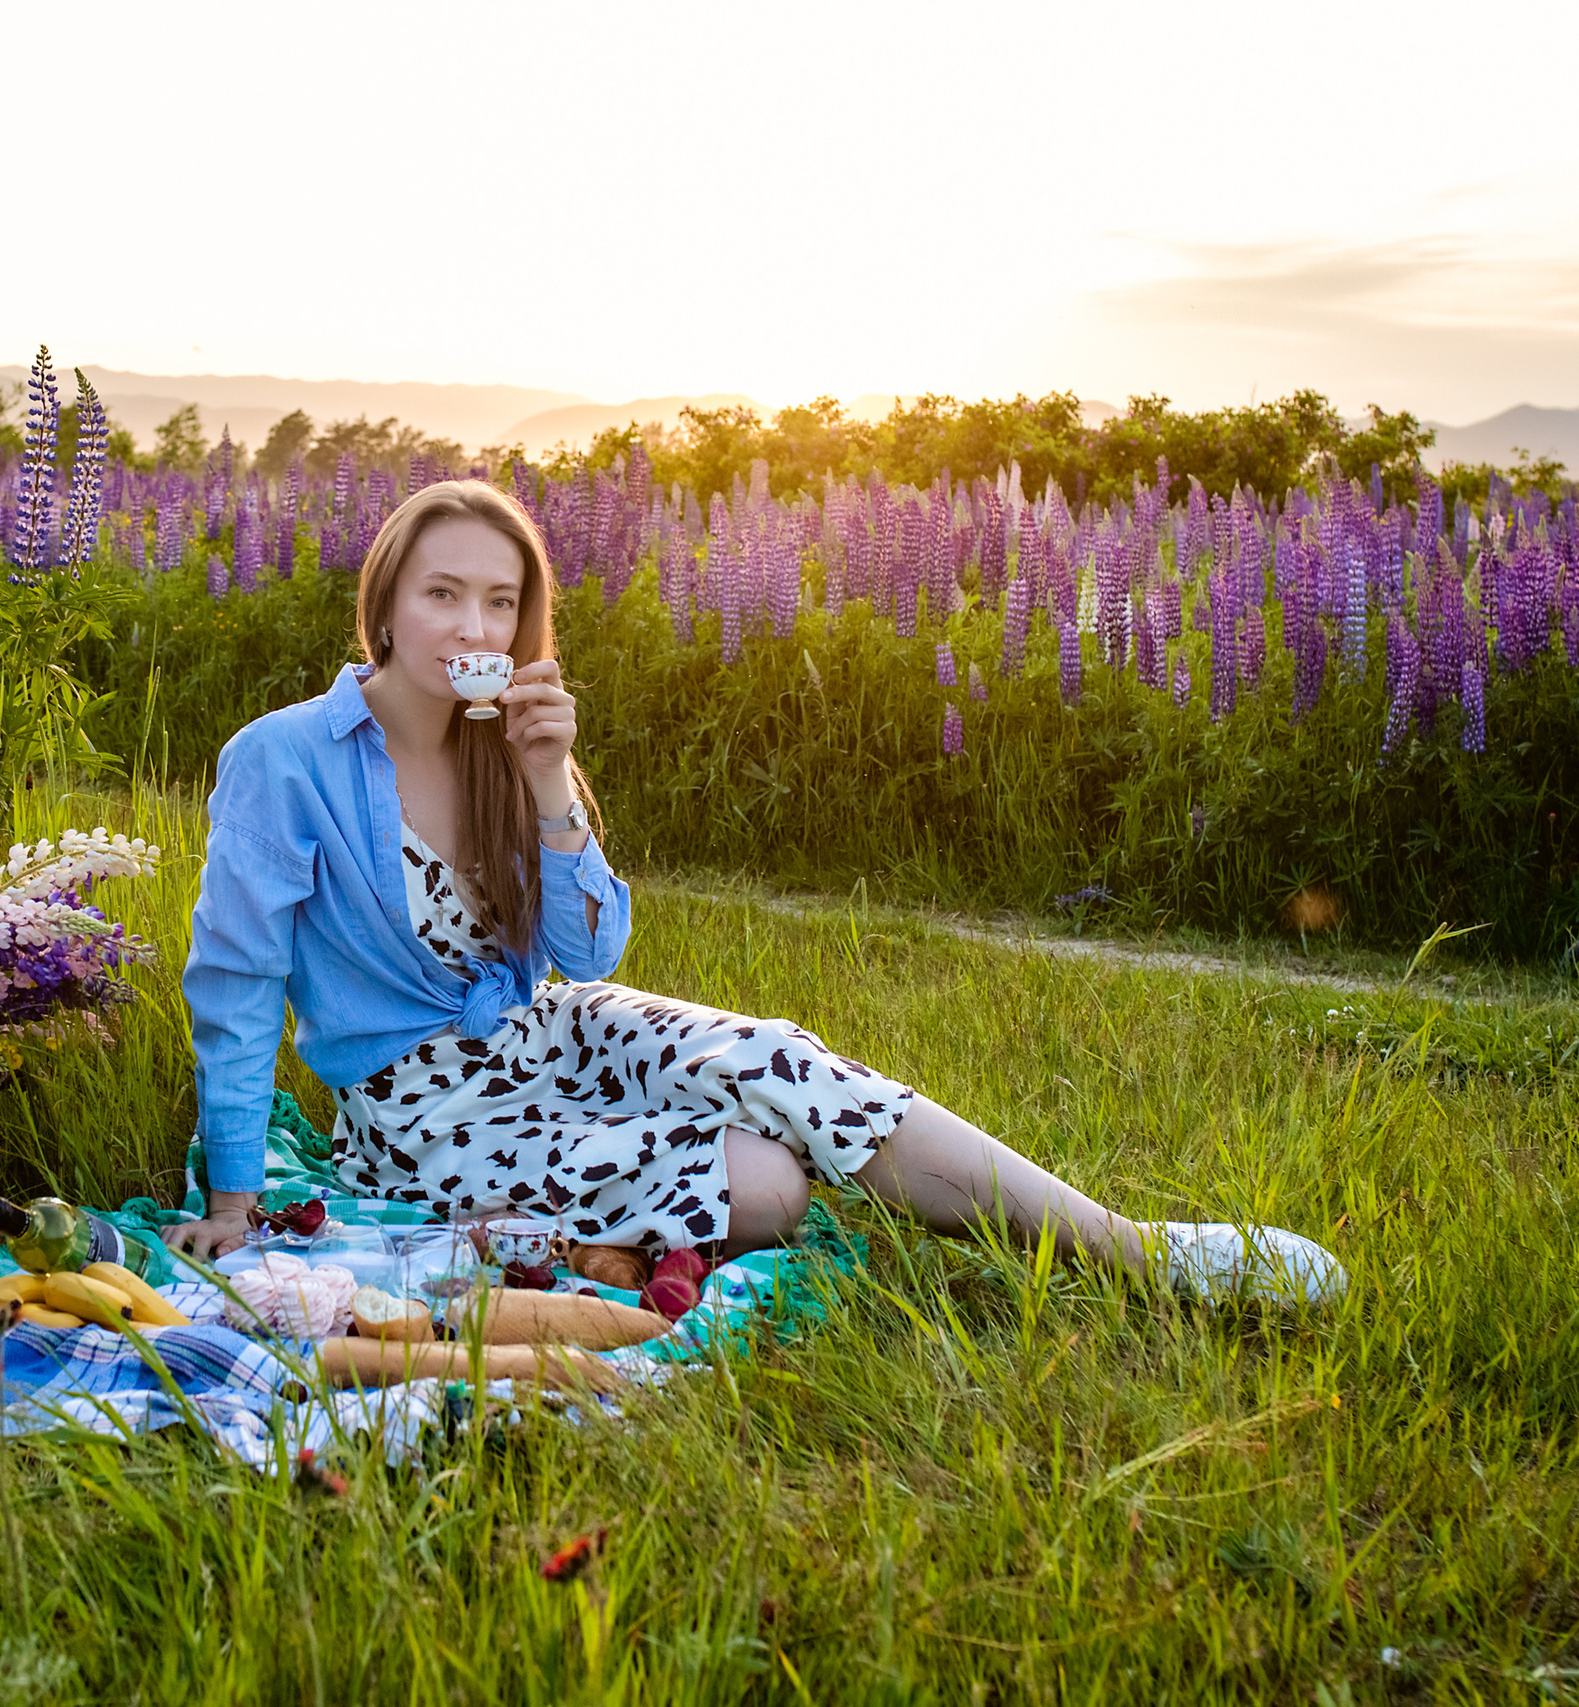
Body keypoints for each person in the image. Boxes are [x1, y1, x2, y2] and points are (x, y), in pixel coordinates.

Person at [164, 481, 1343, 1306]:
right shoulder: (287, 757)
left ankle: (1134, 1250)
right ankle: (527, 1231)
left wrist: (546, 782)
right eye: (442, 595)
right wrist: (230, 1189)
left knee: (780, 1058)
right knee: (766, 1183)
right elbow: (235, 978)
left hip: (551, 1028)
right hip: (415, 1107)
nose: (474, 626)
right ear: (382, 601)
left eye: (501, 601)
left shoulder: (508, 736)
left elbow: (590, 949)